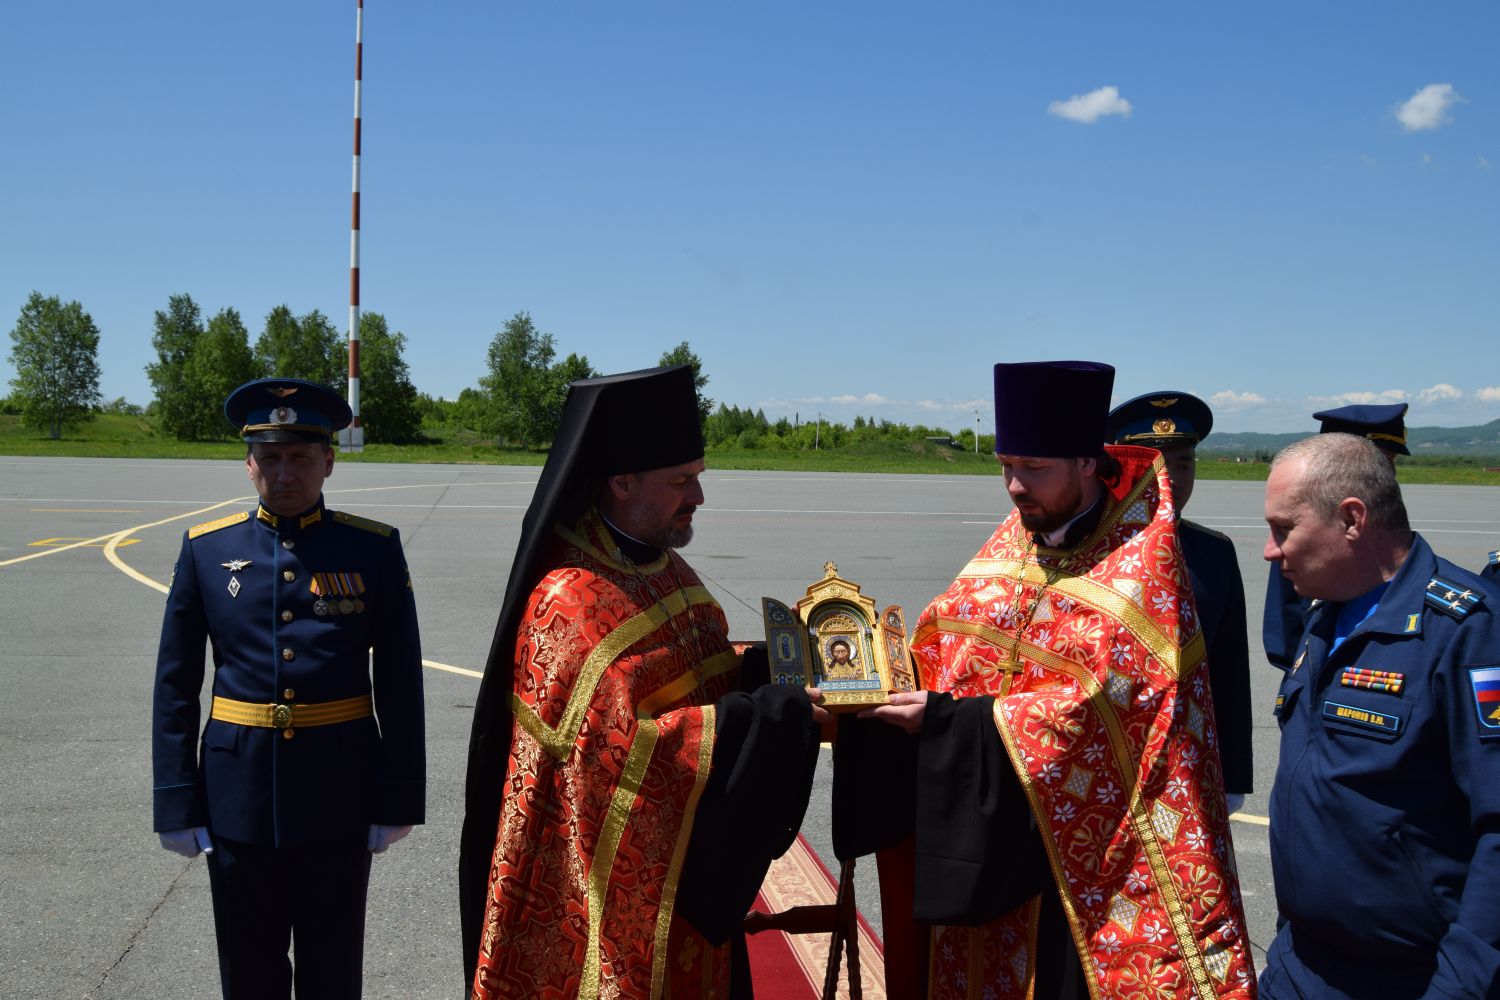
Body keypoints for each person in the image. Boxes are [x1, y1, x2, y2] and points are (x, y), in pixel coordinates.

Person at [844, 361, 1255, 999]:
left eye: (1033, 469)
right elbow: (947, 637)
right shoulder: (1014, 542)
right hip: (988, 834)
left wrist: (949, 721)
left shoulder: (1141, 566)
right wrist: (866, 674)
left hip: (1083, 862)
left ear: (1089, 463)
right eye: (1006, 465)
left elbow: (1108, 707)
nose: (1013, 487)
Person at [458, 365, 826, 999]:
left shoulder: (664, 569)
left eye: (698, 477)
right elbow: (630, 757)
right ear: (622, 481)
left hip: (680, 885)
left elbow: (703, 673)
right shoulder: (570, 600)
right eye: (681, 481)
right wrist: (775, 717)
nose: (699, 497)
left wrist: (781, 671)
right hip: (601, 906)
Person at [151, 378, 425, 999]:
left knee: (333, 969)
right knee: (249, 971)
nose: (285, 471)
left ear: (328, 461)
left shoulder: (373, 549)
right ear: (249, 464)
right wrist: (175, 800)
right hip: (236, 794)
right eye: (270, 457)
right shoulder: (206, 551)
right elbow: (174, 685)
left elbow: (401, 682)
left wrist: (399, 796)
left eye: (301, 457)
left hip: (340, 789)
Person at [1259, 432, 1500, 998]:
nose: (1271, 551)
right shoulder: (1324, 615)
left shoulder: (1466, 631)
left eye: (1284, 528)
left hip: (1409, 980)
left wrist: (1460, 988)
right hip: (1301, 966)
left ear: (1352, 519)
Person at [1106, 391, 1253, 813]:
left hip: (1185, 767)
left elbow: (1228, 669)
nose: (1171, 478)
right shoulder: (1089, 551)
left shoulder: (1214, 553)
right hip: (1104, 762)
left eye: (1184, 464)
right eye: (1155, 465)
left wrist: (1233, 775)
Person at [1262, 402, 1409, 672]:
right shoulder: (1297, 536)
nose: (1390, 475)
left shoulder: (1396, 541)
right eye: (1383, 461)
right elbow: (1284, 635)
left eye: (1390, 463)